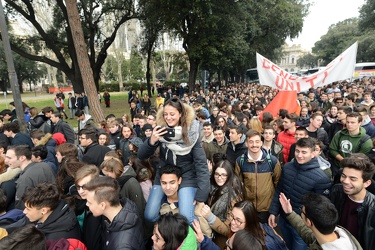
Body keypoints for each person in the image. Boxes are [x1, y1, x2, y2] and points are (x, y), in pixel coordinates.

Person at [138, 97, 210, 225]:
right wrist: (152, 141)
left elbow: (201, 165)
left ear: (180, 114)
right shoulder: (161, 130)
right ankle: (167, 229)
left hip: (186, 176)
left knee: (186, 218)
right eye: (165, 114)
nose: (168, 117)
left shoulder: (191, 133)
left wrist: (201, 195)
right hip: (165, 175)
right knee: (149, 215)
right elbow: (142, 155)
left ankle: (188, 237)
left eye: (172, 114)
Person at [268, 137, 332, 250]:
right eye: (297, 151)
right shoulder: (287, 168)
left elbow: (320, 207)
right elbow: (279, 190)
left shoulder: (321, 178)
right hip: (284, 219)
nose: (299, 155)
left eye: (304, 152)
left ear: (313, 154)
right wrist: (273, 212)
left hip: (303, 226)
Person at [279, 192, 362, 250]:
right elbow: (309, 235)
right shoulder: (340, 234)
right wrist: (290, 213)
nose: (301, 212)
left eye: (302, 210)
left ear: (309, 221)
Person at [85, 176, 145, 250]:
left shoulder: (122, 246)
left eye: (89, 202)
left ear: (102, 205)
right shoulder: (128, 209)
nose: (86, 204)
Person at [4, 183, 81, 240]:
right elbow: (21, 224)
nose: (24, 211)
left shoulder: (58, 238)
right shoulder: (40, 215)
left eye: (28, 209)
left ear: (44, 210)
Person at [330, 154, 375, 250]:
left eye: (353, 179)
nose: (345, 181)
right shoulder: (336, 191)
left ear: (366, 183)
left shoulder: (373, 208)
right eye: (343, 176)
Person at [235, 129, 281, 223]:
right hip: (248, 208)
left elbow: (278, 185)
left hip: (267, 209)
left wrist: (274, 210)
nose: (254, 145)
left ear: (261, 143)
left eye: (257, 141)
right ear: (246, 144)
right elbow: (237, 185)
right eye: (251, 142)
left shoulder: (272, 161)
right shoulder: (240, 161)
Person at [200, 157, 245, 248]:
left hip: (223, 238)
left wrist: (210, 216)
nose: (219, 178)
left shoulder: (234, 196)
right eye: (217, 174)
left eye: (224, 175)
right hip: (210, 231)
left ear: (229, 175)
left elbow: (228, 230)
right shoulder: (213, 186)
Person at [5, 145, 56, 210]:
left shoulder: (24, 179)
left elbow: (21, 207)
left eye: (9, 158)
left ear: (22, 158)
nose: (6, 161)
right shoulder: (44, 165)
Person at [329, 112, 372, 182]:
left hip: (354, 170)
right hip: (337, 167)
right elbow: (332, 149)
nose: (349, 125)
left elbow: (361, 158)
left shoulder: (366, 141)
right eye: (348, 122)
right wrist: (342, 160)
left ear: (360, 123)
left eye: (352, 122)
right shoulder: (339, 134)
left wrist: (347, 162)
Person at [74, 164, 103, 250]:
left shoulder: (98, 211)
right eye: (78, 187)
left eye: (85, 187)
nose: (81, 191)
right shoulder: (85, 204)